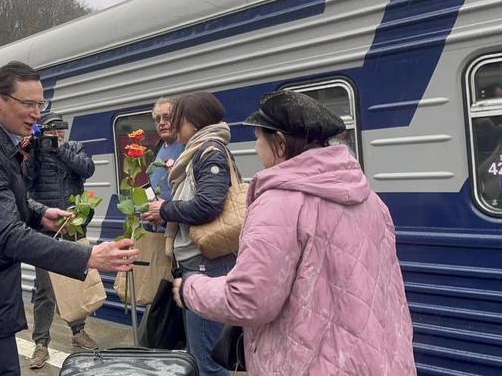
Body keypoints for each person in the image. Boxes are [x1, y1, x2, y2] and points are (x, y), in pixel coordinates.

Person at [173, 90, 416, 375]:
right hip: (381, 361)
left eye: (257, 140)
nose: (255, 150)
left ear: (279, 144)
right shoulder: (369, 198)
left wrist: (190, 289)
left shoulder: (279, 203)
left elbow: (249, 300)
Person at [0, 61, 138, 376]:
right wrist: (88, 255)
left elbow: (6, 199)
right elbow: (8, 235)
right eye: (28, 103)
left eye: (40, 104)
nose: (37, 113)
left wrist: (41, 215)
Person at [141, 91, 236, 376]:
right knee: (200, 354)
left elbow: (209, 204)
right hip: (198, 265)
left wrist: (165, 210)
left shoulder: (209, 151)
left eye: (177, 119)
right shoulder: (197, 151)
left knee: (209, 362)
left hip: (207, 267)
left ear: (193, 123)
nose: (171, 125)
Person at [24, 112, 97, 369]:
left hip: (73, 226)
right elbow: (25, 180)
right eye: (51, 131)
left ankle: (78, 332)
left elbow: (87, 169)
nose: (57, 135)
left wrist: (61, 148)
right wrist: (34, 150)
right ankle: (41, 344)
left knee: (75, 283)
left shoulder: (74, 148)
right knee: (45, 289)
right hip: (46, 229)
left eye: (60, 130)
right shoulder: (35, 151)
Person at [144, 97, 184, 229]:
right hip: (159, 228)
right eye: (157, 119)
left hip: (178, 228)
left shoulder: (186, 146)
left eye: (167, 117)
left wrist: (165, 213)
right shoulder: (158, 147)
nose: (161, 123)